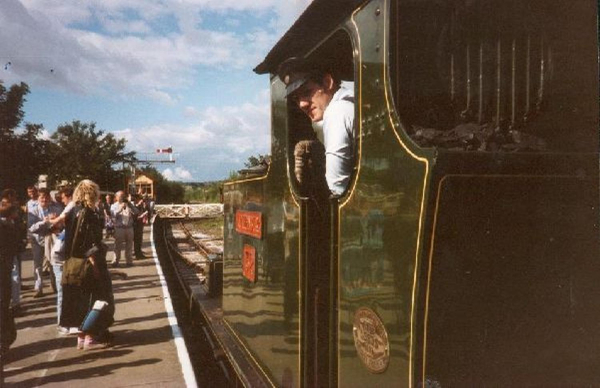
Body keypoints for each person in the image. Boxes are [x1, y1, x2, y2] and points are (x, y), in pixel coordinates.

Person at [278, 57, 355, 196]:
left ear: (327, 82)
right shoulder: (351, 105)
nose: (302, 104)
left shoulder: (336, 111)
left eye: (307, 92)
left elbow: (336, 185)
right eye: (296, 98)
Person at [58, 180, 114, 349]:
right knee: (97, 299)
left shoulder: (73, 211)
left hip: (72, 263)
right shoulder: (89, 213)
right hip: (88, 263)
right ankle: (90, 337)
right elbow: (89, 243)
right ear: (92, 194)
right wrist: (96, 264)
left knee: (78, 300)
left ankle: (81, 338)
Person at [28, 188, 61, 298]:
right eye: (42, 197)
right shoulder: (33, 211)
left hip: (50, 239)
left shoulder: (55, 208)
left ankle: (54, 285)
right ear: (38, 198)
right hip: (37, 240)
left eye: (46, 197)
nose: (44, 199)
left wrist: (55, 221)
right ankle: (39, 288)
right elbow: (31, 228)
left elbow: (61, 223)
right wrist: (44, 222)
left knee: (52, 262)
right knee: (38, 265)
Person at [110, 191, 138, 267]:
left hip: (129, 227)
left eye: (123, 196)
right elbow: (113, 214)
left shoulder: (129, 204)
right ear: (116, 197)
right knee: (118, 245)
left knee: (129, 245)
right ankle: (115, 261)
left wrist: (130, 205)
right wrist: (120, 208)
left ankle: (129, 261)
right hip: (119, 228)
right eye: (120, 196)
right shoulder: (114, 206)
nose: (122, 197)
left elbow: (136, 212)